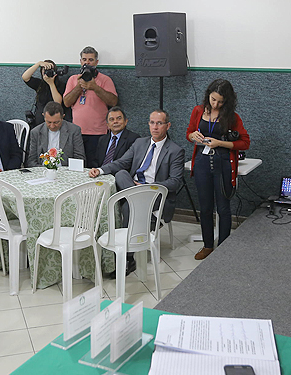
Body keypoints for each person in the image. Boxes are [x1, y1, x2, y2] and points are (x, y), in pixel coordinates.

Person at [89, 109, 184, 276]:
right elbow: (121, 162)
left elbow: (175, 182)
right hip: (134, 189)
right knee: (121, 174)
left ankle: (126, 258)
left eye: (159, 123)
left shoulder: (175, 150)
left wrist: (148, 187)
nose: (155, 127)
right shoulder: (140, 143)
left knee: (127, 206)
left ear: (167, 126)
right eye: (152, 123)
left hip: (154, 194)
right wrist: (100, 170)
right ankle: (127, 252)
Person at [187, 79, 250, 260]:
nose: (216, 104)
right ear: (208, 96)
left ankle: (223, 247)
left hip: (223, 164)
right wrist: (193, 136)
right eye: (213, 100)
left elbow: (245, 142)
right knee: (205, 207)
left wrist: (220, 143)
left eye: (220, 101)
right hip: (202, 162)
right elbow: (189, 133)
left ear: (227, 101)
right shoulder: (198, 111)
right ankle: (208, 245)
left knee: (223, 208)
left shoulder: (232, 117)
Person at [63, 46, 118, 167]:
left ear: (96, 62)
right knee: (77, 167)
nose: (87, 62)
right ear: (80, 61)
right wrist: (79, 86)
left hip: (98, 133)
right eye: (84, 59)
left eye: (91, 60)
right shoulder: (73, 79)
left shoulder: (105, 80)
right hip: (76, 132)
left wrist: (95, 87)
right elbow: (66, 102)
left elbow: (113, 102)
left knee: (94, 166)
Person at [27, 102, 85, 167]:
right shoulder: (36, 132)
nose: (52, 126)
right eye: (49, 122)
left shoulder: (74, 130)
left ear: (62, 117)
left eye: (56, 122)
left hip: (66, 170)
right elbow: (31, 160)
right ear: (43, 116)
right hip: (43, 170)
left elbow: (79, 158)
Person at [22, 60, 69, 127]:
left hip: (55, 123)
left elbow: (58, 102)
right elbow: (25, 77)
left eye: (50, 70)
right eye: (45, 70)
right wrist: (38, 64)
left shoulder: (61, 85)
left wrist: (51, 84)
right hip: (39, 123)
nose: (47, 72)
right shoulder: (39, 84)